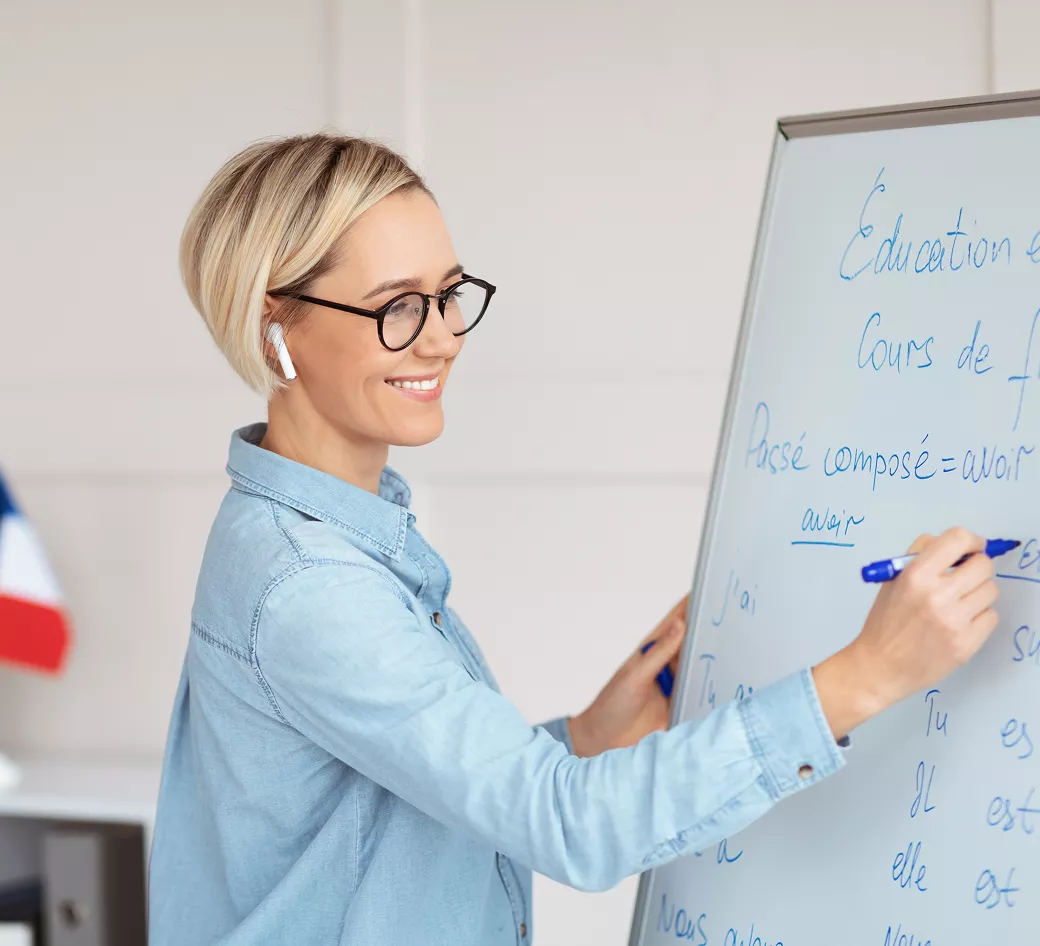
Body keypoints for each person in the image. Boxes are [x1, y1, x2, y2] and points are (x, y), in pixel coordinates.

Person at [148, 134, 1001, 945]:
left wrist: (584, 739)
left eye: (448, 294)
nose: (443, 336)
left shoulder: (313, 537)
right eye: (397, 308)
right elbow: (566, 824)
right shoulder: (309, 585)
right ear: (276, 327)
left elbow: (390, 818)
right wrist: (872, 674)